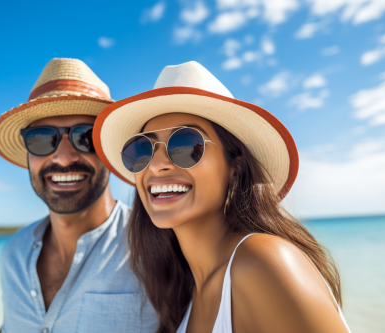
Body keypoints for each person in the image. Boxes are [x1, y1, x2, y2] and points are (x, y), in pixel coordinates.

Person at [93, 61, 352, 333]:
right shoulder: (185, 292)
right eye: (143, 149)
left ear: (235, 165)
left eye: (185, 145)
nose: (157, 165)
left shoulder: (263, 262)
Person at [0, 58, 158, 333]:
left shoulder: (157, 249)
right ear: (29, 155)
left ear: (110, 151)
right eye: (42, 139)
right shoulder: (13, 254)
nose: (64, 158)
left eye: (86, 137)